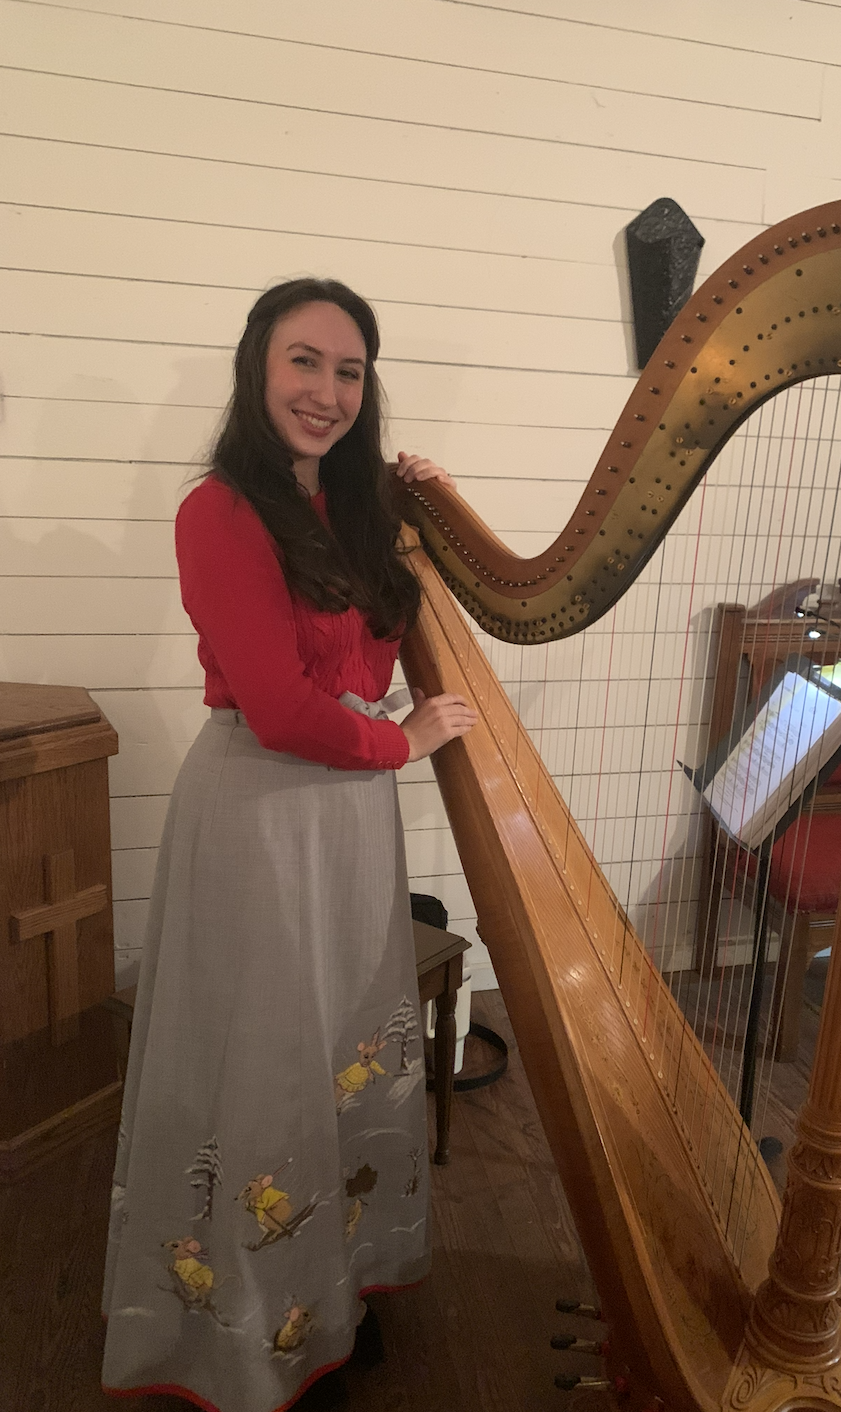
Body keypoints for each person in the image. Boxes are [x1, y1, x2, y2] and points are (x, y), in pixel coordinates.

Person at [101, 278, 476, 1412]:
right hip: (263, 812)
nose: (326, 390)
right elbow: (275, 703)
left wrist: (439, 517)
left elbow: (395, 641)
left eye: (349, 370)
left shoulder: (360, 514)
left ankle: (331, 1284)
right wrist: (401, 744)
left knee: (335, 1048)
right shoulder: (218, 510)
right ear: (258, 368)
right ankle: (253, 1323)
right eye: (304, 362)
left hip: (349, 817)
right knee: (262, 1062)